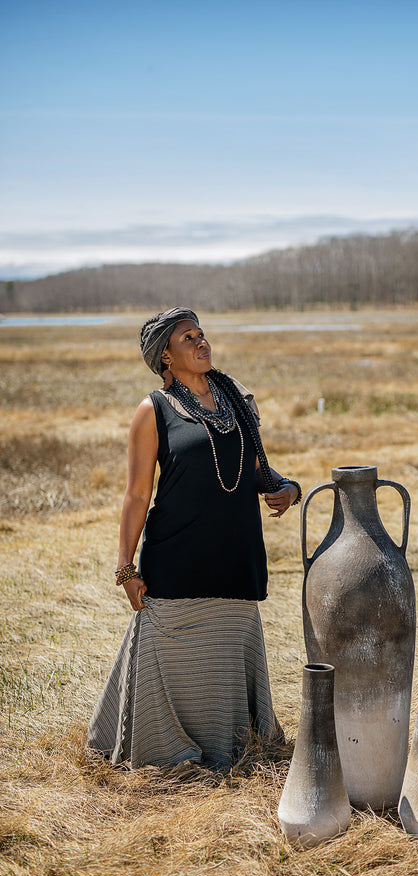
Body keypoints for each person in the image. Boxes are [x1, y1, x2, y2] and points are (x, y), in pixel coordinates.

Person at [87, 307, 301, 769]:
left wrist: (289, 489)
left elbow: (259, 468)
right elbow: (137, 494)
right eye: (188, 338)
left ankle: (231, 747)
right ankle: (161, 752)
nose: (202, 343)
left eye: (202, 335)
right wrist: (126, 569)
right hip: (176, 562)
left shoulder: (238, 400)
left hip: (236, 560)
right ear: (165, 355)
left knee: (223, 664)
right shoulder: (154, 410)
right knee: (169, 660)